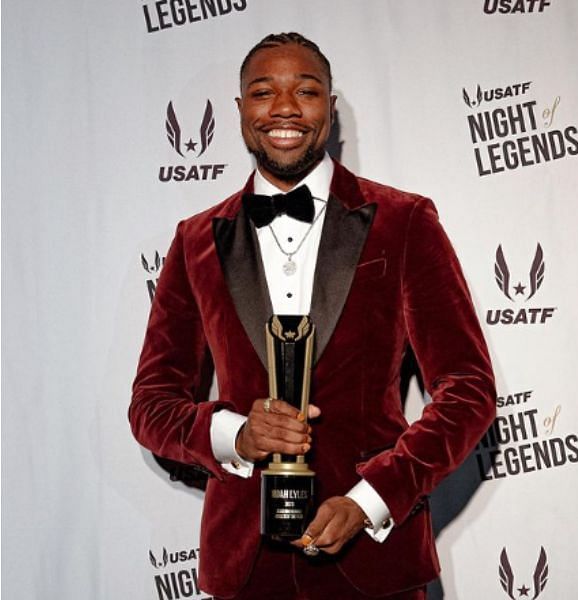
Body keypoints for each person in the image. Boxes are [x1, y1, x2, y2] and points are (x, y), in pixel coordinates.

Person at [130, 33, 495, 600]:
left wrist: (370, 500)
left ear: (329, 108)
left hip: (375, 563)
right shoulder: (195, 240)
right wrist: (236, 435)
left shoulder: (405, 222)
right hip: (245, 567)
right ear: (240, 110)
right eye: (262, 92)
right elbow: (151, 405)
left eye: (306, 91)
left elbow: (468, 391)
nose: (284, 108)